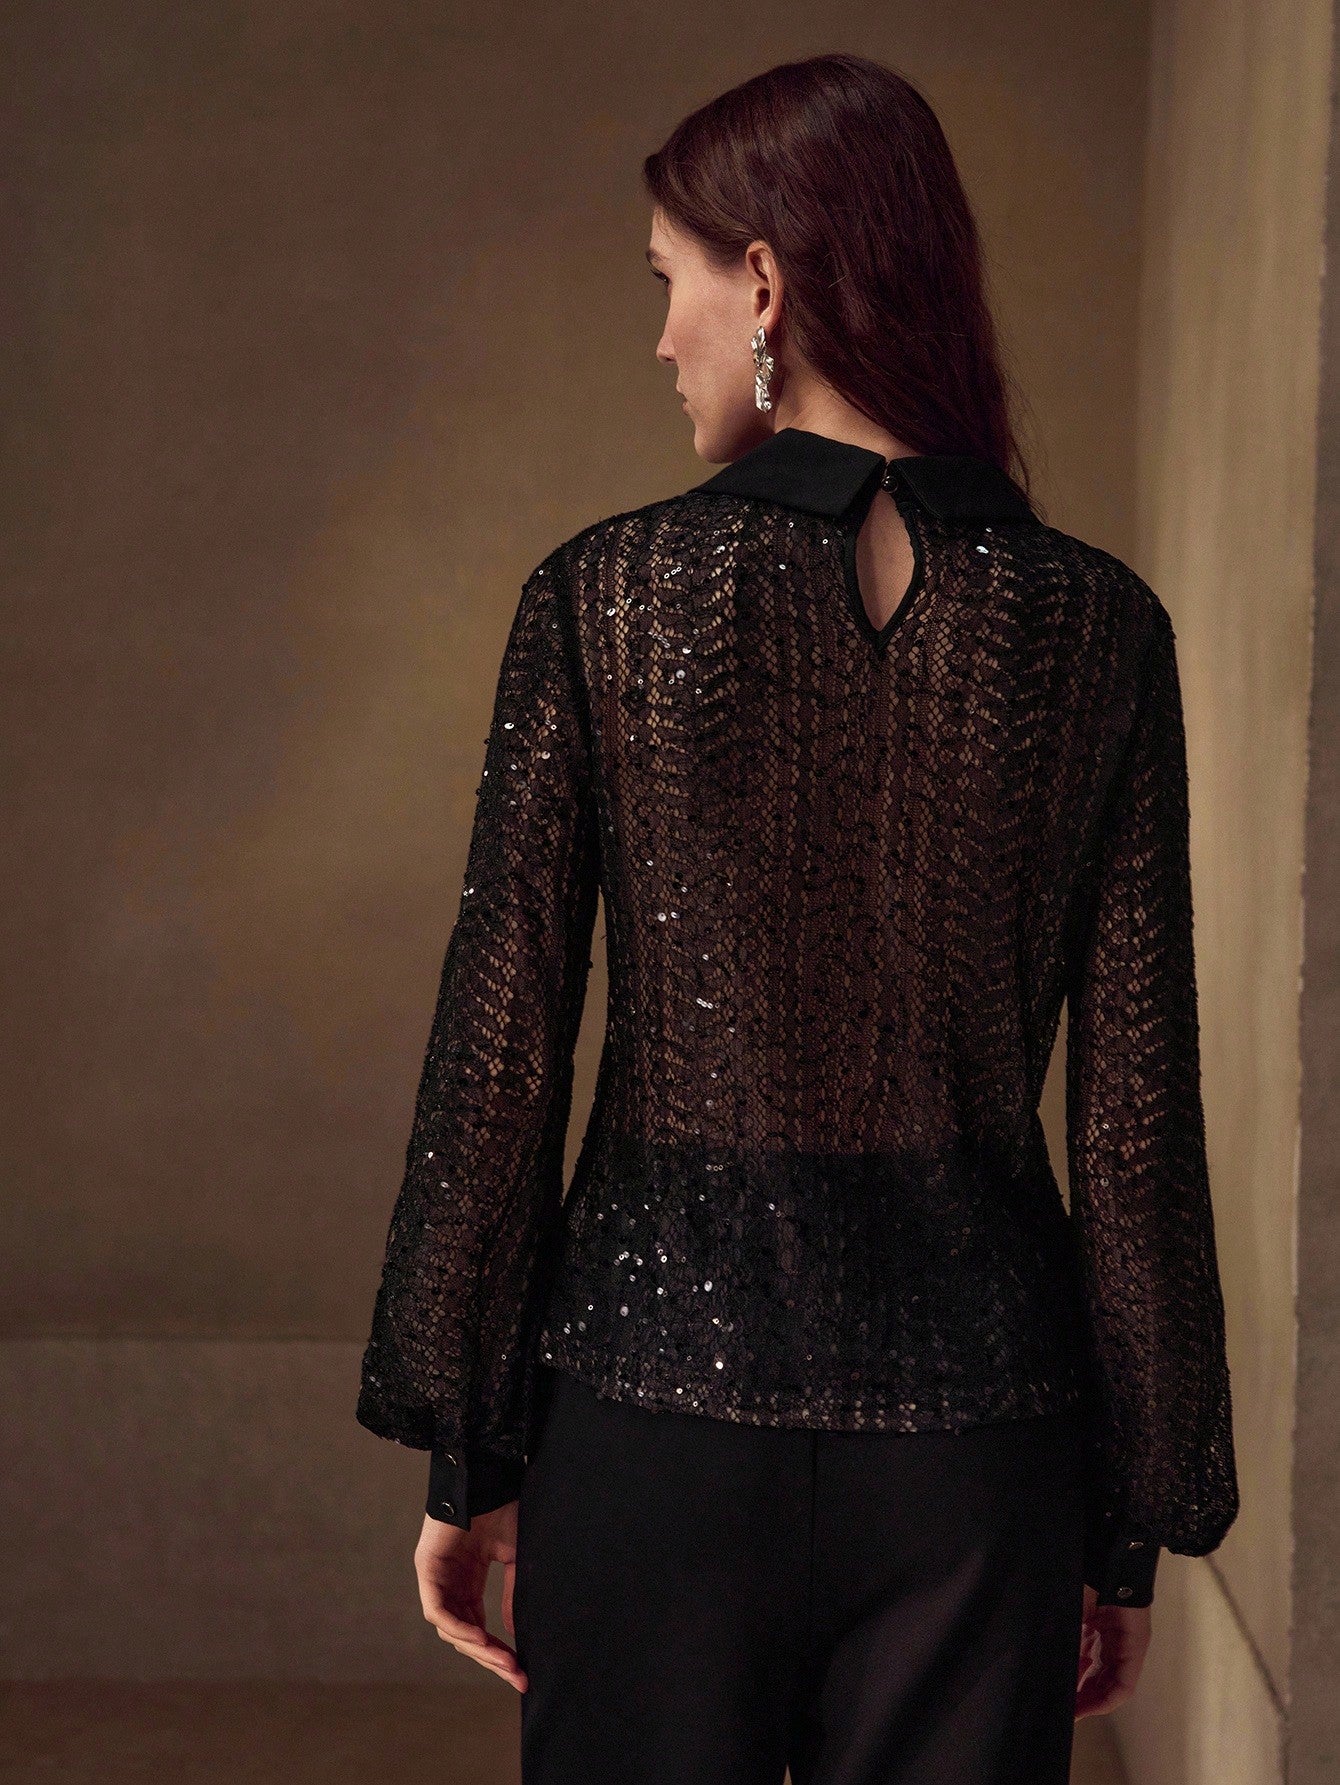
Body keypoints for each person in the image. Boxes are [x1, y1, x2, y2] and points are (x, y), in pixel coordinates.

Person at [355, 51, 1239, 1785]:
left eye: (668, 281)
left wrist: (475, 1456)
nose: (660, 337)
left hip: (648, 1431)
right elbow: (1135, 1119)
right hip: (981, 1461)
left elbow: (503, 1051)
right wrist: (1123, 1526)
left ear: (762, 281)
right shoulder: (1101, 631)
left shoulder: (602, 595)